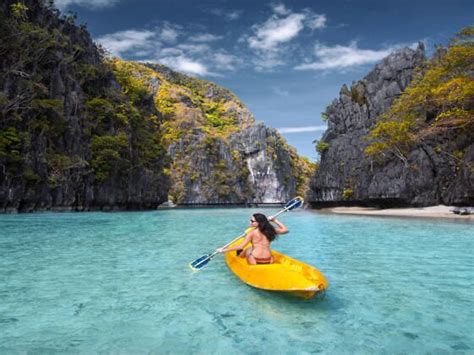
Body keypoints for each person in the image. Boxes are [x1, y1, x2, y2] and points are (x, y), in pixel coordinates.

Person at [217, 213, 288, 265]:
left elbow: (241, 246)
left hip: (255, 260)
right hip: (268, 259)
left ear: (259, 223)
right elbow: (285, 230)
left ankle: (240, 255)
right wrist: (275, 220)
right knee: (251, 247)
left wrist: (224, 250)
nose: (250, 222)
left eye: (252, 221)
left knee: (248, 250)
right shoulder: (270, 230)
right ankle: (241, 254)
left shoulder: (252, 233)